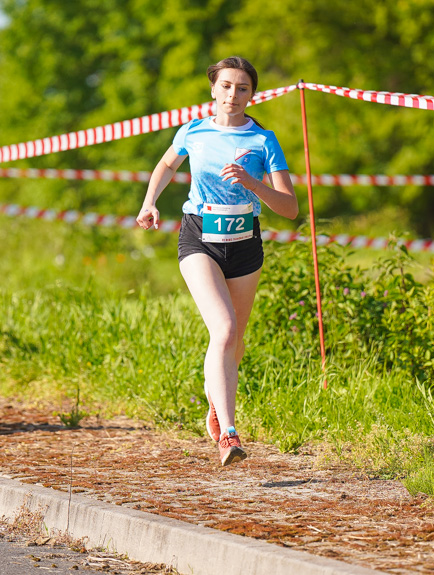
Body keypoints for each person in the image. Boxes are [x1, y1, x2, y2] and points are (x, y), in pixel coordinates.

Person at [136, 56, 298, 466]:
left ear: (251, 95)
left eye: (242, 88)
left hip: (245, 244)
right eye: (226, 85)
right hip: (199, 237)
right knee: (223, 330)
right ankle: (228, 432)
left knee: (234, 343)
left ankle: (215, 404)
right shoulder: (193, 131)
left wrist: (252, 183)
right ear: (213, 89)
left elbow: (290, 208)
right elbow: (166, 165)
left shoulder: (265, 141)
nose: (233, 94)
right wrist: (150, 202)